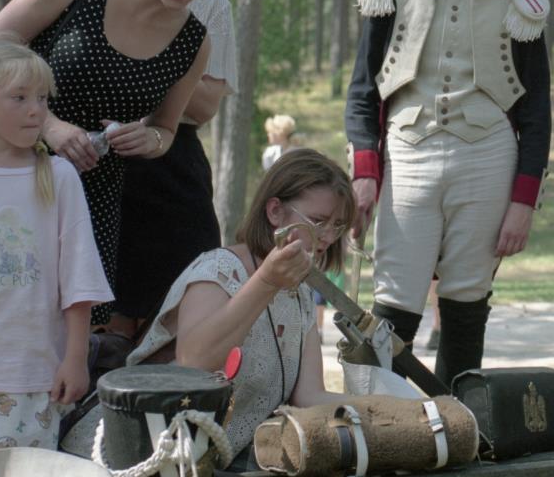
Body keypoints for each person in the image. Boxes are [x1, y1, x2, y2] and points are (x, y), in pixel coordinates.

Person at [0, 0, 245, 327]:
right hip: (15, 174)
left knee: (72, 330)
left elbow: (167, 129)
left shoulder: (194, 42)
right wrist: (48, 126)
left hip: (94, 199)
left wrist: (149, 139)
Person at [345, 0, 551, 386]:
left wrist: (523, 202)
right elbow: (363, 92)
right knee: (394, 298)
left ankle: (458, 419)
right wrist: (365, 174)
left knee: (465, 299)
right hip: (407, 155)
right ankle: (381, 416)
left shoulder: (520, 2)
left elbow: (536, 113)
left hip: (487, 158)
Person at [63, 149, 355, 470]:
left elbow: (309, 396)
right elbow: (195, 364)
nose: (328, 237)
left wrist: (382, 406)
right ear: (275, 211)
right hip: (124, 457)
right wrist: (267, 281)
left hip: (193, 463)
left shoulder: (301, 295)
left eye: (337, 226)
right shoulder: (219, 268)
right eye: (318, 222)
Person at [92, 0, 241, 337]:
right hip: (95, 161)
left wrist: (149, 59)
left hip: (171, 168)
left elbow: (205, 106)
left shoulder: (208, 5)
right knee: (102, 318)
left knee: (176, 314)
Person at [0, 40, 113, 450]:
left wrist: (75, 358)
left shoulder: (59, 176)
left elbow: (78, 277)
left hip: (32, 376)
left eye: (43, 98)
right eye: (20, 97)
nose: (36, 110)